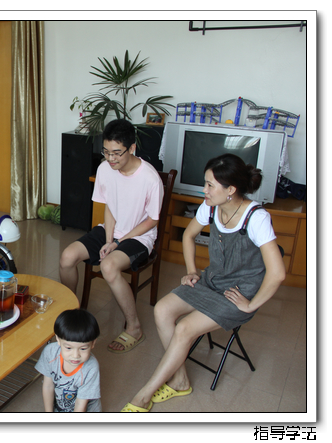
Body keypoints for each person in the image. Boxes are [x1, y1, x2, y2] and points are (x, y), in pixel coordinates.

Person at [121, 153, 286, 412]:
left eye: (210, 185)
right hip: (212, 280)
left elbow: (277, 273)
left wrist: (251, 304)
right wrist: (192, 270)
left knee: (184, 328)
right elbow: (188, 235)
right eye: (205, 183)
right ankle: (180, 380)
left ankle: (144, 394)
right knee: (162, 310)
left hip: (238, 293)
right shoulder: (210, 207)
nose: (204, 190)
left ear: (231, 190)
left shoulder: (256, 217)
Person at [59, 119, 163, 353]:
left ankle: (134, 328)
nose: (110, 158)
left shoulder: (150, 178)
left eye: (116, 153)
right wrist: (108, 240)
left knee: (108, 266)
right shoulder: (105, 168)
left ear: (132, 148)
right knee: (67, 257)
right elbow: (109, 206)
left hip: (139, 236)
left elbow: (152, 220)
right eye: (106, 152)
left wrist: (118, 242)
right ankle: (72, 314)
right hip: (111, 229)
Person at [35, 309, 102, 412]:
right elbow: (48, 386)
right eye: (68, 348)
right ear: (58, 339)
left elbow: (81, 404)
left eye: (83, 349)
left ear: (93, 343)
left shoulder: (91, 367)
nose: (75, 356)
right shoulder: (50, 353)